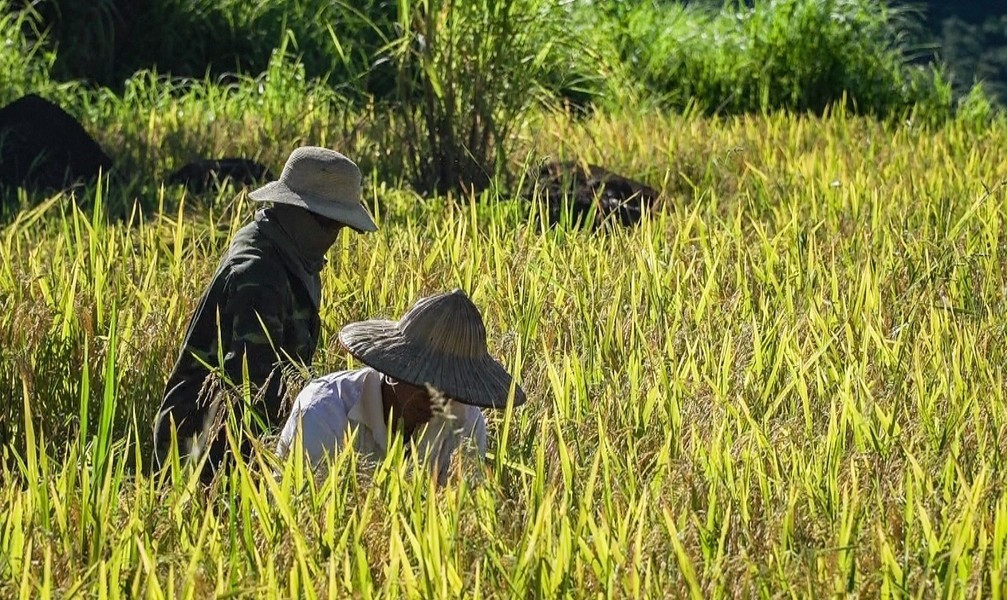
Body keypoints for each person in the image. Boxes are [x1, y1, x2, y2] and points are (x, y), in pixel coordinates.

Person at [153, 146, 378, 480]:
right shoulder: (259, 277)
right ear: (299, 213)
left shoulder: (287, 250)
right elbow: (250, 396)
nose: (334, 239)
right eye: (331, 226)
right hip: (201, 447)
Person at [276, 289, 526, 482]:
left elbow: (461, 522)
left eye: (450, 388)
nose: (436, 398)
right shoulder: (324, 414)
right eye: (424, 382)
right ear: (394, 369)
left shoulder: (466, 423)